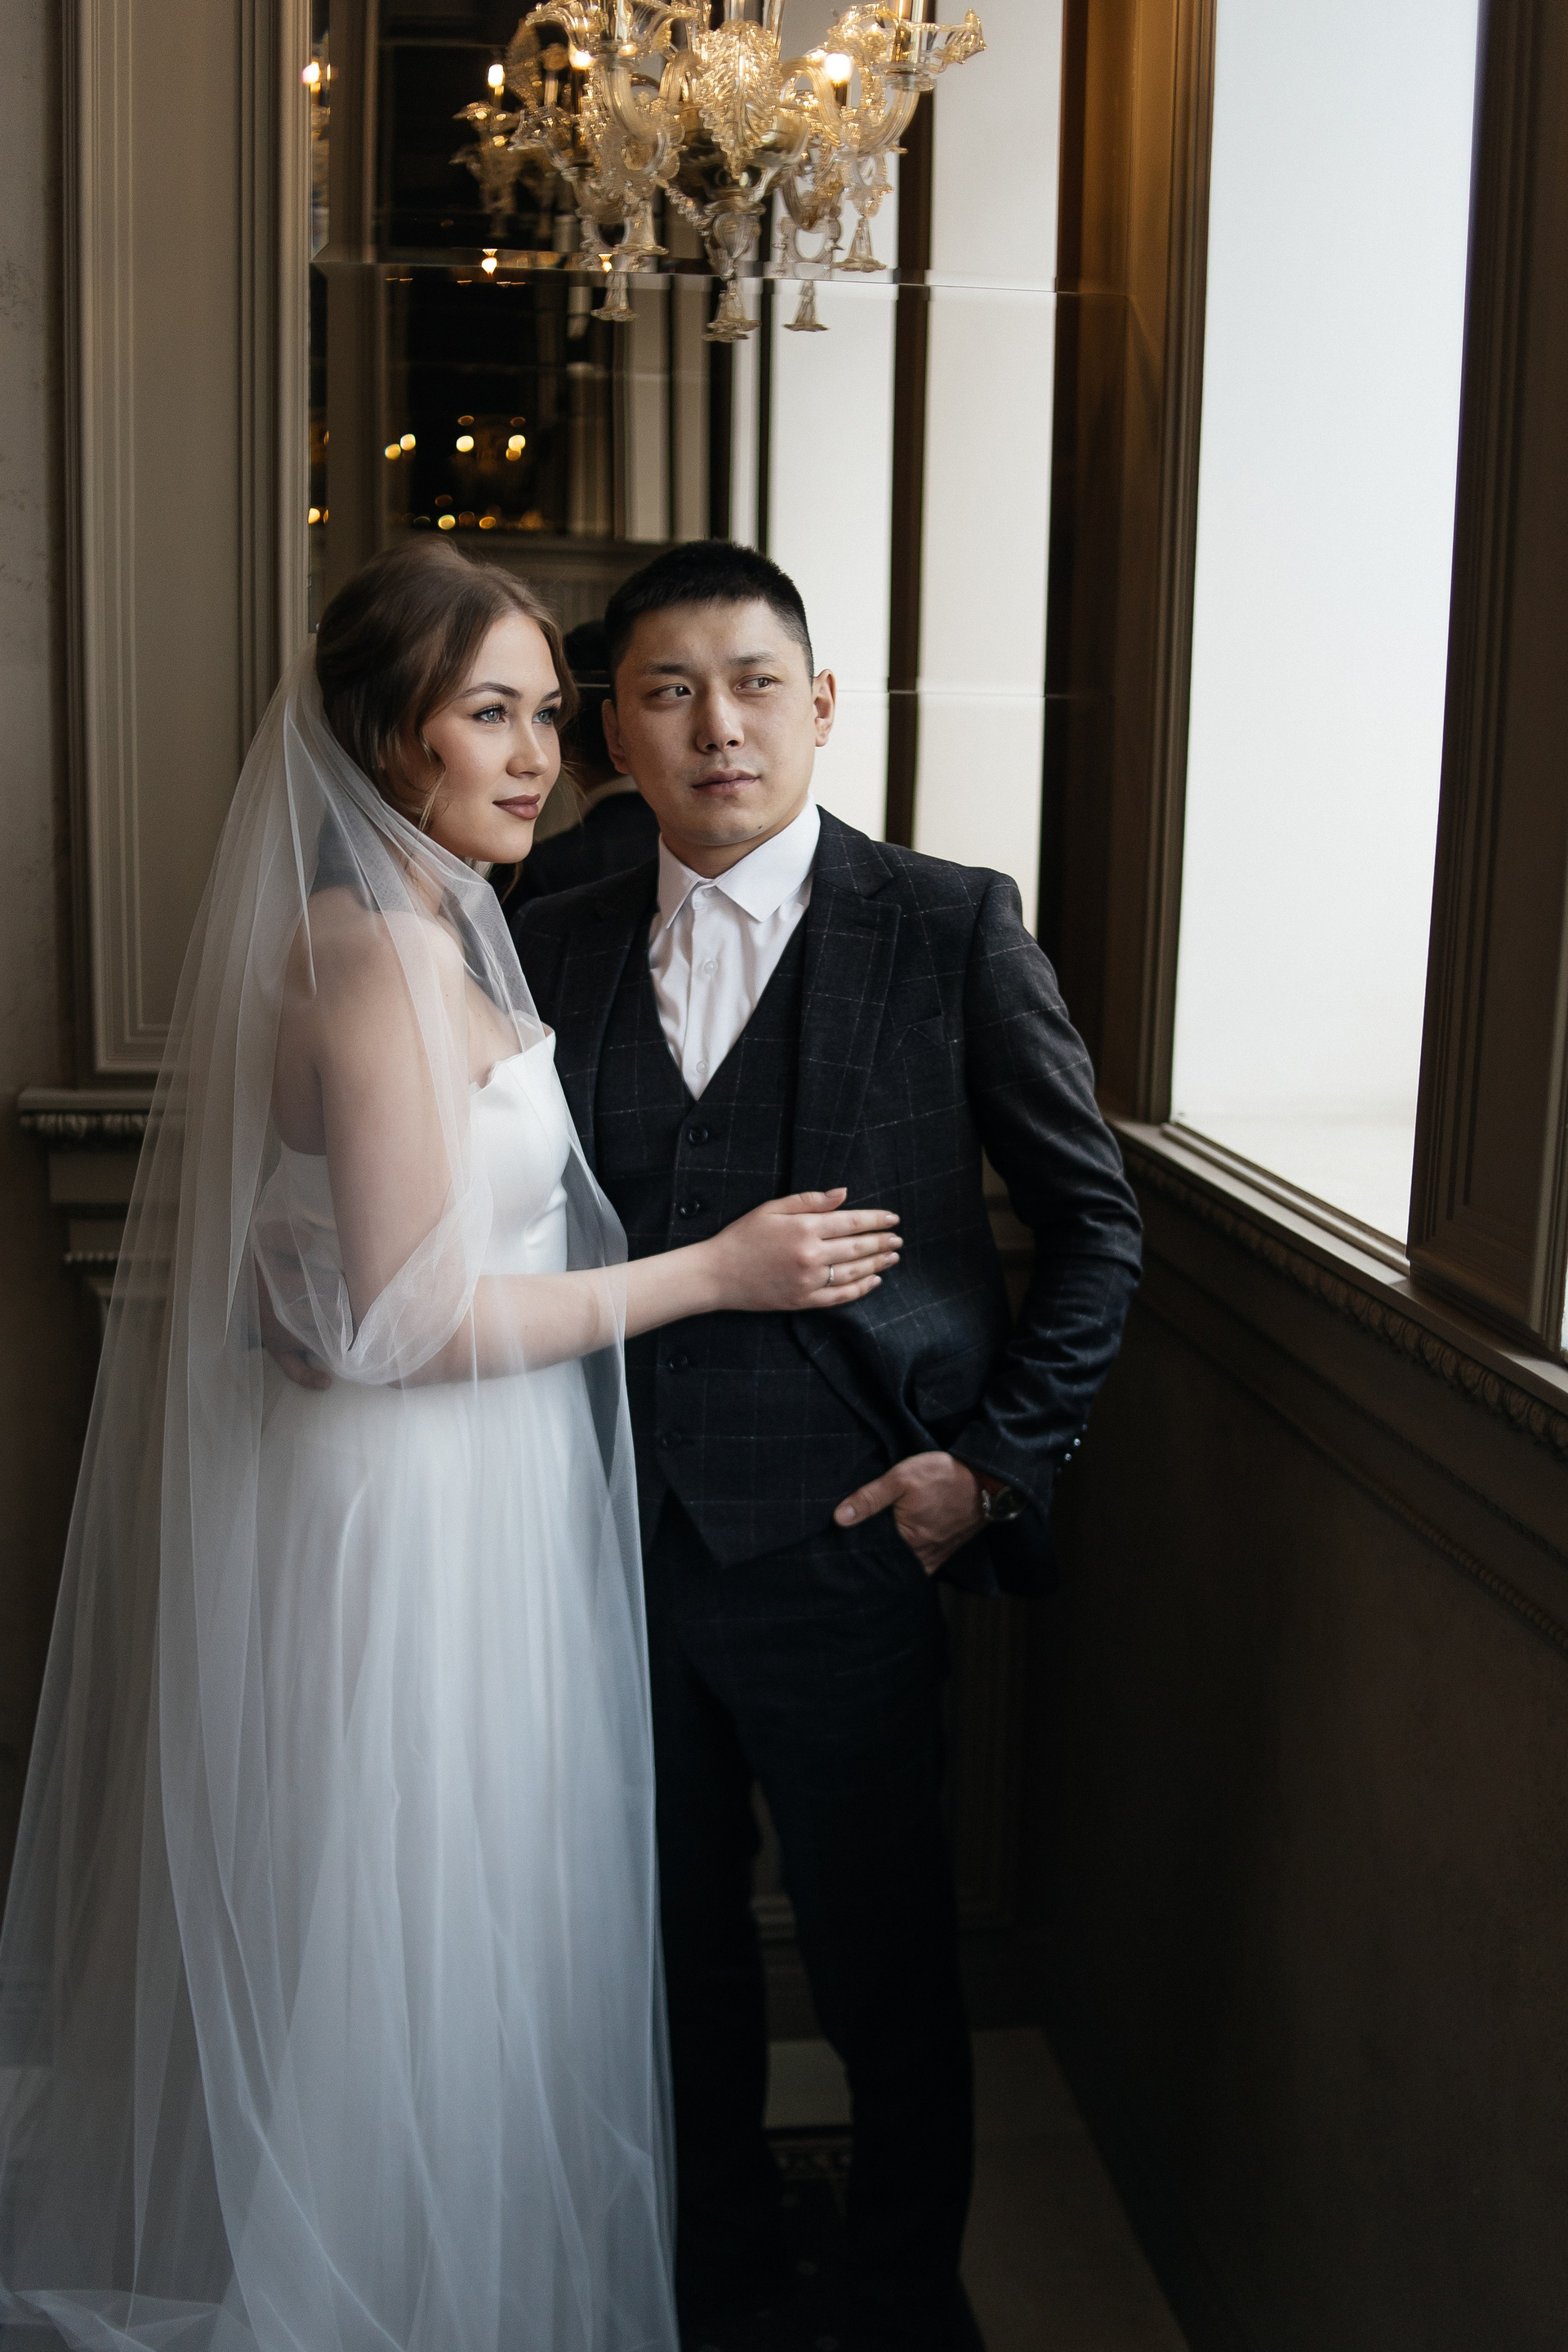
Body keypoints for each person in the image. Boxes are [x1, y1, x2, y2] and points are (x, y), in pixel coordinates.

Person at [0, 540, 903, 2352]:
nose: (537, 756)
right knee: (399, 1910)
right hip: (409, 1510)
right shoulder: (372, 959)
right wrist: (713, 1272)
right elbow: (410, 1325)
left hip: (481, 1490)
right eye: (489, 715)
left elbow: (338, 1259)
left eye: (548, 715)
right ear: (385, 736)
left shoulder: (440, 928)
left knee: (475, 1915)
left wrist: (310, 1287)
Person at [509, 541, 1144, 2352]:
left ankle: (899, 2299)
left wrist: (990, 1471)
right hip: (600, 1547)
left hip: (856, 1545)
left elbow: (1097, 1228)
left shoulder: (949, 926)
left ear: (822, 706)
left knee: (884, 1970)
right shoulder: (545, 928)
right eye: (668, 692)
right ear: (614, 735)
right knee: (661, 1963)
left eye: (754, 685)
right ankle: (705, 2284)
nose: (718, 726)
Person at [501, 617, 660, 904]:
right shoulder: (700, 856)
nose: (536, 759)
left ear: (564, 739)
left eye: (546, 715)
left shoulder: (535, 872)